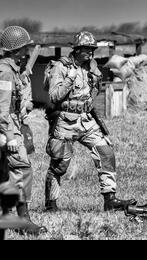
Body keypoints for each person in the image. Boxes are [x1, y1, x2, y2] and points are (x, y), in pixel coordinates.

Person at [43, 31, 136, 212]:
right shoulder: (61, 67)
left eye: (92, 49)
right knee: (60, 163)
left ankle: (110, 200)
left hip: (86, 120)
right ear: (77, 49)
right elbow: (54, 96)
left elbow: (94, 91)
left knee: (106, 153)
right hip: (65, 121)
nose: (91, 53)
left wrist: (93, 83)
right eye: (87, 49)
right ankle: (51, 204)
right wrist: (70, 78)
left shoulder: (91, 67)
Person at [0, 26, 46, 233]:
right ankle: (23, 221)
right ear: (17, 49)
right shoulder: (6, 73)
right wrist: (9, 136)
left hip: (10, 125)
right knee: (22, 168)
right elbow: (2, 110)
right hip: (5, 128)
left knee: (4, 172)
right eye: (25, 47)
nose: (27, 50)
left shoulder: (13, 70)